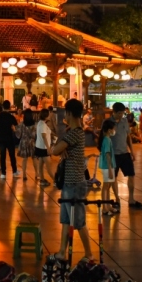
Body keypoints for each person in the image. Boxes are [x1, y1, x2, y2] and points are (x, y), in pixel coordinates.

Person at [51, 99, 93, 262]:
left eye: (66, 113)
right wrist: (61, 149)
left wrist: (59, 149)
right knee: (66, 220)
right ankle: (62, 251)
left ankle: (89, 254)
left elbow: (55, 150)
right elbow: (59, 149)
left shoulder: (75, 133)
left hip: (74, 182)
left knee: (78, 221)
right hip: (69, 181)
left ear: (69, 114)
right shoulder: (74, 132)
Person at [107, 102, 142, 209]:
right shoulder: (107, 122)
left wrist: (132, 151)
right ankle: (116, 199)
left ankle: (131, 199)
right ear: (114, 112)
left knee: (131, 175)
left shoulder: (124, 121)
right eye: (119, 113)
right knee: (113, 178)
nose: (121, 115)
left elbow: (128, 137)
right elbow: (104, 139)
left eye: (122, 113)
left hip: (125, 153)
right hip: (113, 155)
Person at [0, 101, 20, 179]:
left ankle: (3, 173)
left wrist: (0, 132)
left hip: (1, 138)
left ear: (2, 107)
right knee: (12, 155)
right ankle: (14, 171)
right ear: (9, 107)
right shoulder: (11, 117)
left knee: (3, 156)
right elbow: (16, 126)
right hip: (10, 138)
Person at [98, 114, 117, 215]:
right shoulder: (107, 140)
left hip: (109, 166)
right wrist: (110, 168)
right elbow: (107, 154)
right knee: (106, 186)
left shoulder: (107, 139)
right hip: (107, 166)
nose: (114, 130)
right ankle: (104, 208)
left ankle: (108, 205)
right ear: (109, 130)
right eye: (113, 129)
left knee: (108, 186)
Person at [34, 108, 54, 187]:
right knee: (49, 167)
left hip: (39, 147)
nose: (50, 115)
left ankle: (42, 180)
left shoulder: (40, 123)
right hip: (43, 148)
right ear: (46, 116)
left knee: (41, 164)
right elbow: (44, 136)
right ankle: (56, 180)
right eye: (49, 114)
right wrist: (48, 148)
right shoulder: (43, 125)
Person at [17, 109, 37, 182]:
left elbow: (18, 135)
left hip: (24, 142)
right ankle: (36, 174)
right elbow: (35, 135)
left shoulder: (22, 124)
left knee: (24, 159)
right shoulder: (35, 124)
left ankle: (24, 175)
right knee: (34, 158)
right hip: (32, 142)